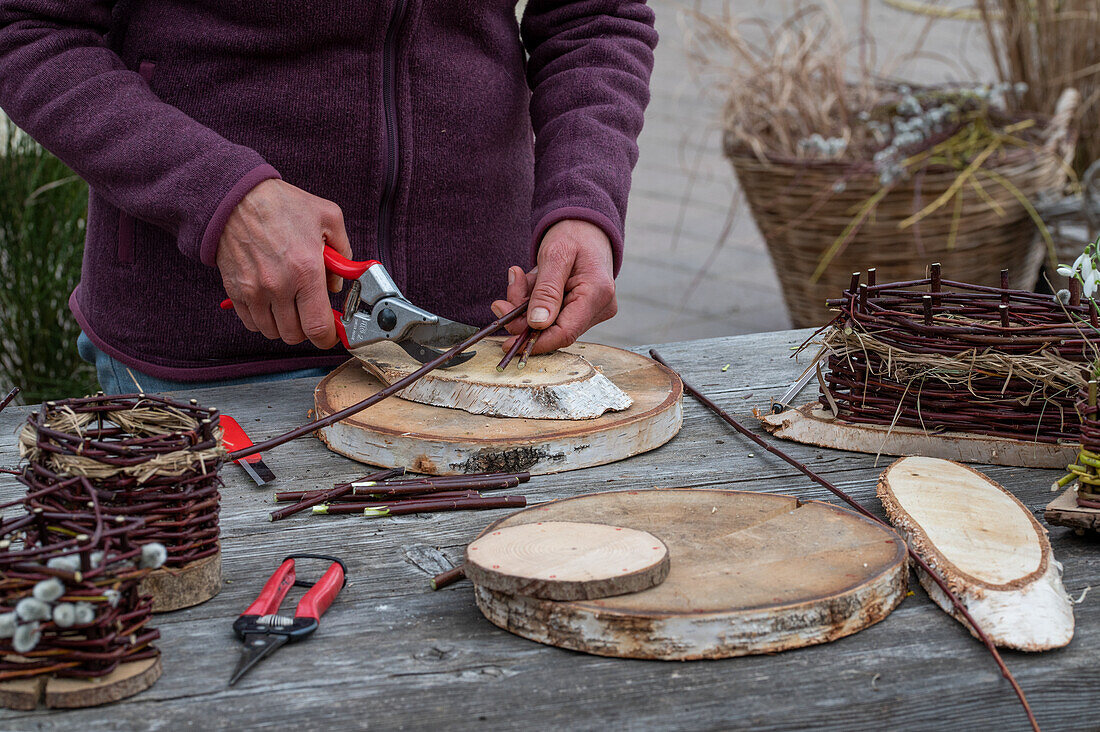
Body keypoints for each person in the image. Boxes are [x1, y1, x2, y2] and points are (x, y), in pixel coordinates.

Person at [0, 2, 658, 394]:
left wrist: (583, 201)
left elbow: (595, 15)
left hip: (472, 345)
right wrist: (217, 195)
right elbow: (28, 28)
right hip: (205, 364)